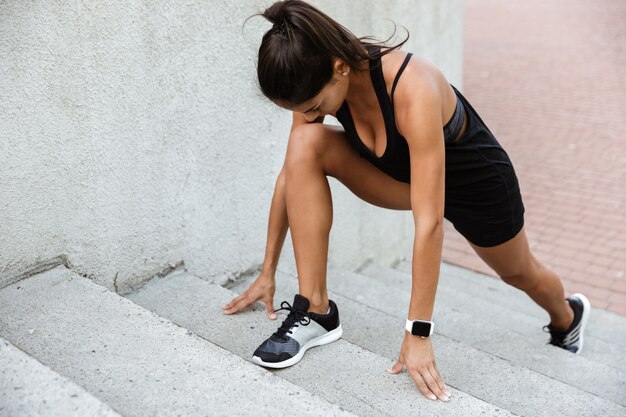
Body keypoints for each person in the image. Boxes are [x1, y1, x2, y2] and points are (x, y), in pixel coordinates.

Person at [223, 0, 591, 402]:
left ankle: (567, 316)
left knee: (520, 273)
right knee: (304, 143)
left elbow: (429, 222)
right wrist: (268, 269)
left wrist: (418, 332)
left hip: (476, 185)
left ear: (339, 68)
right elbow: (291, 172)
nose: (311, 113)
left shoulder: (410, 86)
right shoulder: (317, 80)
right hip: (401, 179)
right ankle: (315, 310)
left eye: (313, 107)